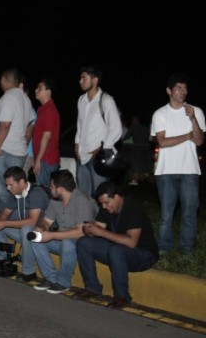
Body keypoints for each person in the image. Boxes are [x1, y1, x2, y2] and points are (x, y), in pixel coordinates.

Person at [75, 182, 160, 309]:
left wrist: (102, 232)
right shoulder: (107, 208)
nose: (104, 206)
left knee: (116, 250)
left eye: (106, 202)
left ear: (117, 197)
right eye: (101, 203)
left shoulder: (133, 208)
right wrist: (88, 230)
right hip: (118, 250)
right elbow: (98, 229)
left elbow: (131, 242)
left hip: (143, 255)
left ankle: (122, 296)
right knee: (83, 243)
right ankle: (92, 288)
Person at [150, 72, 205, 255]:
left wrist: (192, 120)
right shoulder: (160, 114)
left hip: (189, 169)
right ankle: (164, 248)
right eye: (178, 88)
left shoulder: (196, 112)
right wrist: (186, 136)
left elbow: (198, 141)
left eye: (185, 88)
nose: (183, 92)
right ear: (169, 90)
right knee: (167, 213)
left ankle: (186, 249)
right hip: (166, 171)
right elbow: (163, 142)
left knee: (189, 212)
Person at [30, 169, 97, 294]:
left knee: (68, 243)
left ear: (60, 189)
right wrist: (41, 228)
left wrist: (52, 235)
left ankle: (63, 282)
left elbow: (80, 232)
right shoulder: (55, 200)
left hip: (79, 245)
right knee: (35, 239)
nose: (50, 188)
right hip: (61, 240)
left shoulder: (81, 200)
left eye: (52, 186)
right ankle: (50, 278)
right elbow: (47, 221)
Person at [0, 166, 50, 282]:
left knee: (26, 229)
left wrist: (4, 223)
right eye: (6, 185)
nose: (8, 188)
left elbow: (32, 221)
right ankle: (2, 261)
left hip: (40, 234)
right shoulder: (15, 194)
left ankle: (29, 271)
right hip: (24, 233)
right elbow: (4, 214)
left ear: (22, 182)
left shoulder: (36, 193)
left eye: (11, 185)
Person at [0, 67, 33, 211]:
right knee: (13, 190)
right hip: (18, 150)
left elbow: (5, 124)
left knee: (4, 190)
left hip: (5, 151)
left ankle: (6, 222)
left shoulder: (9, 96)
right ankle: (13, 220)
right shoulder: (26, 99)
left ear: (4, 79)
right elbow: (29, 124)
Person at [75, 65, 123, 197]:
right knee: (83, 196)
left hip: (97, 158)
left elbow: (116, 129)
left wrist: (103, 149)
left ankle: (100, 218)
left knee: (100, 195)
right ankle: (85, 218)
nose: (80, 81)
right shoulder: (81, 100)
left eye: (84, 78)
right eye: (80, 78)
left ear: (95, 80)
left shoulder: (106, 100)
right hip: (82, 156)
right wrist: (77, 143)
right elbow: (80, 124)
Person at [32, 78, 61, 187]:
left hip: (46, 160)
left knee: (45, 193)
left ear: (48, 92)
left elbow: (46, 137)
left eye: (40, 88)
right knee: (45, 192)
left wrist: (38, 160)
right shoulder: (43, 110)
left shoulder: (49, 110)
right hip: (44, 159)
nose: (36, 90)